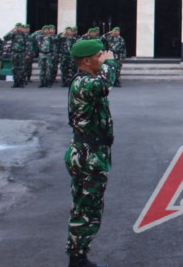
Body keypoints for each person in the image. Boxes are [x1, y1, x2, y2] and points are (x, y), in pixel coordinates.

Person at [64, 39, 117, 267]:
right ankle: (77, 258)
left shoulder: (87, 80)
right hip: (88, 154)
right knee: (87, 208)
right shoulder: (83, 83)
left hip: (93, 152)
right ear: (86, 60)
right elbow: (105, 85)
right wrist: (110, 64)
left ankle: (79, 254)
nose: (101, 59)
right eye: (98, 56)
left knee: (88, 206)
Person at [4, 22, 30, 88]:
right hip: (14, 53)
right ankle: (16, 82)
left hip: (22, 53)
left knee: (22, 68)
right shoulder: (13, 34)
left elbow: (27, 45)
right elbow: (5, 37)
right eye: (18, 27)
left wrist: (27, 54)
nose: (19, 28)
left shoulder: (24, 35)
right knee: (14, 68)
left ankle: (21, 82)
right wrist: (11, 31)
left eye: (21, 27)